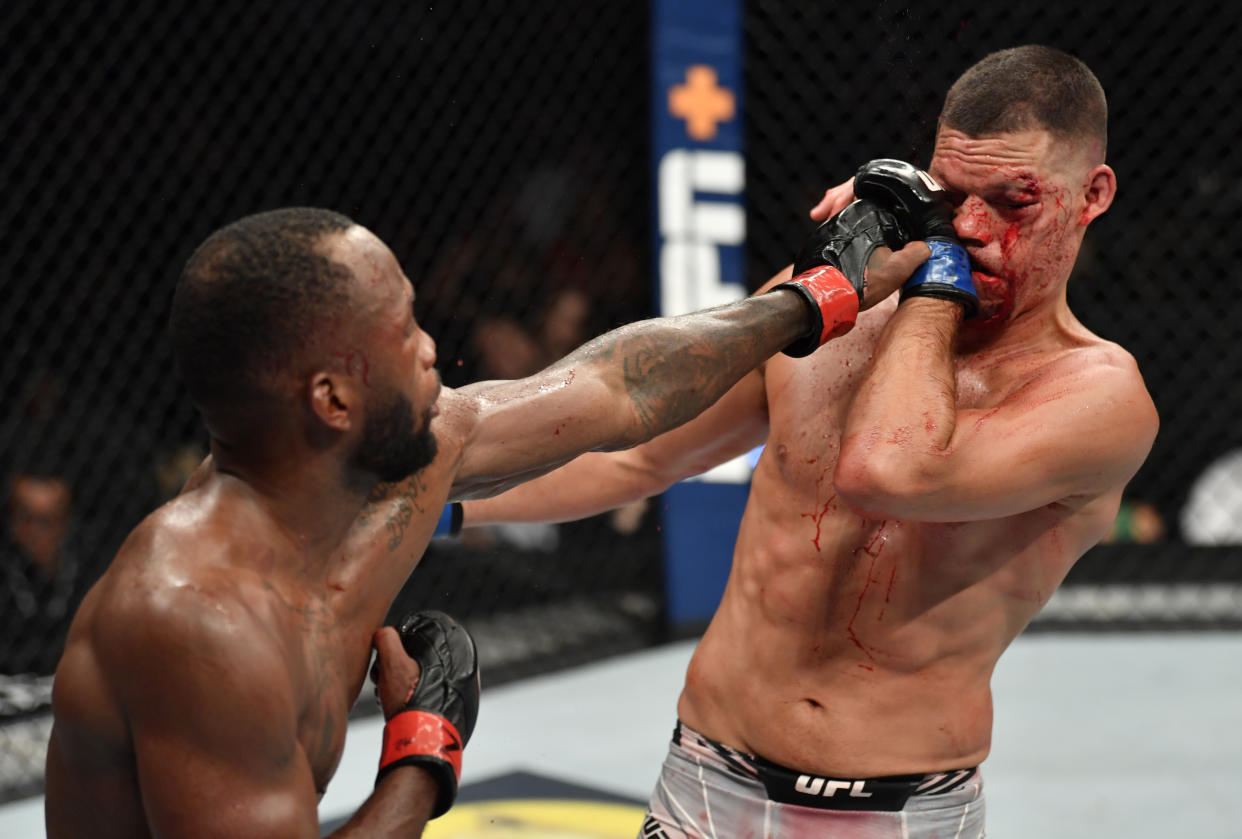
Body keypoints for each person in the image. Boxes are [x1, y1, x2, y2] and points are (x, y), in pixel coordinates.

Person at [460, 45, 1158, 836]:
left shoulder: (1098, 395)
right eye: (949, 195)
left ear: (1091, 194)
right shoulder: (841, 317)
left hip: (902, 812)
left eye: (1012, 202)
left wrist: (931, 270)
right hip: (705, 783)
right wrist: (438, 512)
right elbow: (644, 454)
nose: (969, 227)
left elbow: (885, 469)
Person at [45, 205, 914, 837]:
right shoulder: (198, 619)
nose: (433, 346)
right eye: (402, 332)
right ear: (333, 398)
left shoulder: (397, 465)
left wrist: (815, 299)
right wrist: (426, 750)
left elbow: (618, 387)